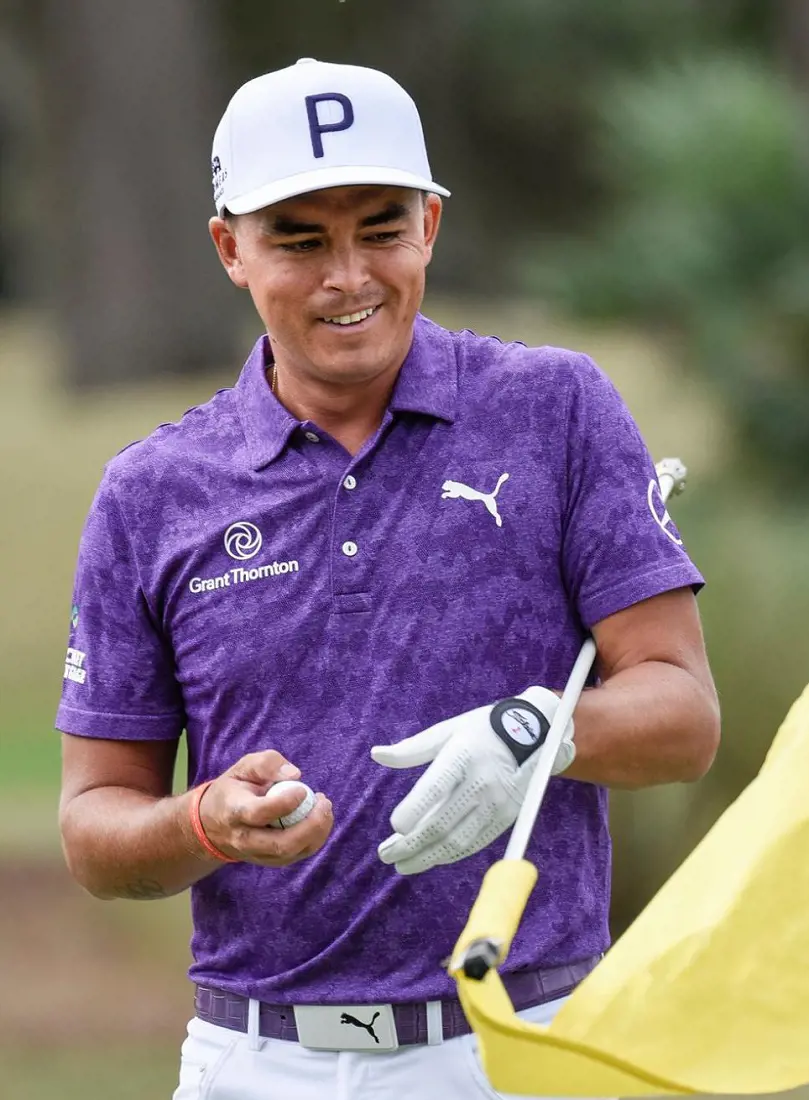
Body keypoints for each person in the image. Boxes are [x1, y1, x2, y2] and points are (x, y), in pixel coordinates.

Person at [56, 58, 720, 1100]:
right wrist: (201, 823)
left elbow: (682, 713)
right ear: (230, 247)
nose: (348, 276)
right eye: (299, 238)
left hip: (524, 1039)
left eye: (380, 226)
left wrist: (537, 729)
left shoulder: (554, 408)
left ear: (431, 226)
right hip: (253, 1059)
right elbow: (96, 825)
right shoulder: (153, 491)